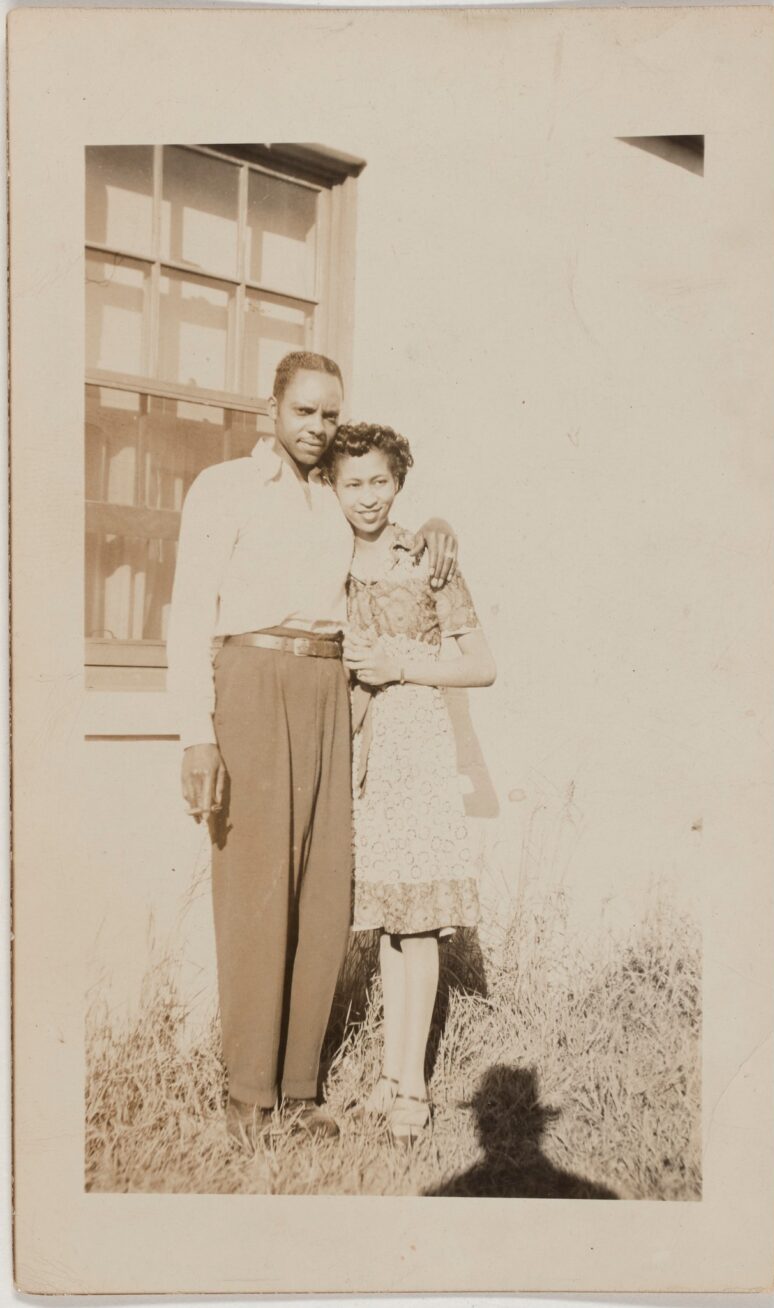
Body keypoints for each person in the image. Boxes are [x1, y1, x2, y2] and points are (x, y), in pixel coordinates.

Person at [166, 352, 458, 1149]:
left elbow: (387, 529)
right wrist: (196, 733)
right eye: (304, 411)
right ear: (272, 409)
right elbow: (188, 612)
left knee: (324, 892)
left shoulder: (336, 494)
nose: (318, 427)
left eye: (330, 414)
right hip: (251, 682)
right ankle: (247, 1096)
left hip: (330, 687)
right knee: (256, 891)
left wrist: (437, 526)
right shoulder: (226, 487)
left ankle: (299, 1093)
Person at [319, 422, 496, 1144]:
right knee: (391, 922)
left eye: (380, 482)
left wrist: (401, 669)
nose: (367, 497)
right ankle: (390, 1077)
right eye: (352, 483)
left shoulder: (427, 557)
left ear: (398, 482)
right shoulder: (322, 558)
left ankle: (413, 1091)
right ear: (332, 486)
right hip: (362, 752)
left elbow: (481, 665)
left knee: (418, 922)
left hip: (416, 744)